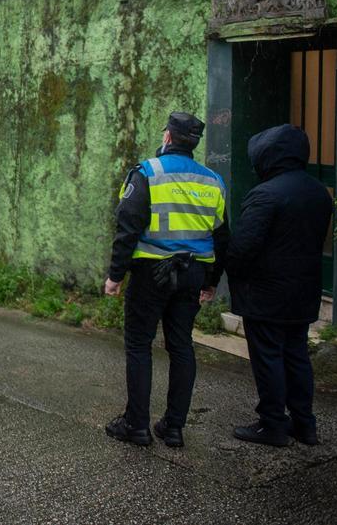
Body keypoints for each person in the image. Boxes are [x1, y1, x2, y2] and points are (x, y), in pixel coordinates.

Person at [104, 112, 229, 448]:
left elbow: (127, 226)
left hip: (151, 272)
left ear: (168, 138)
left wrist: (115, 275)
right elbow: (222, 236)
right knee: (181, 346)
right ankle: (173, 428)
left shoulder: (148, 172)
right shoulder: (212, 180)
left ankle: (137, 426)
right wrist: (211, 281)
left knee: (139, 345)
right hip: (193, 274)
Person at [224, 124, 333, 447]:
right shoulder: (318, 192)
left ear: (268, 157)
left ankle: (272, 423)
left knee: (268, 356)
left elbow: (243, 247)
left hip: (267, 294)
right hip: (304, 292)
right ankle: (304, 424)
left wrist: (233, 272)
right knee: (297, 355)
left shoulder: (265, 194)